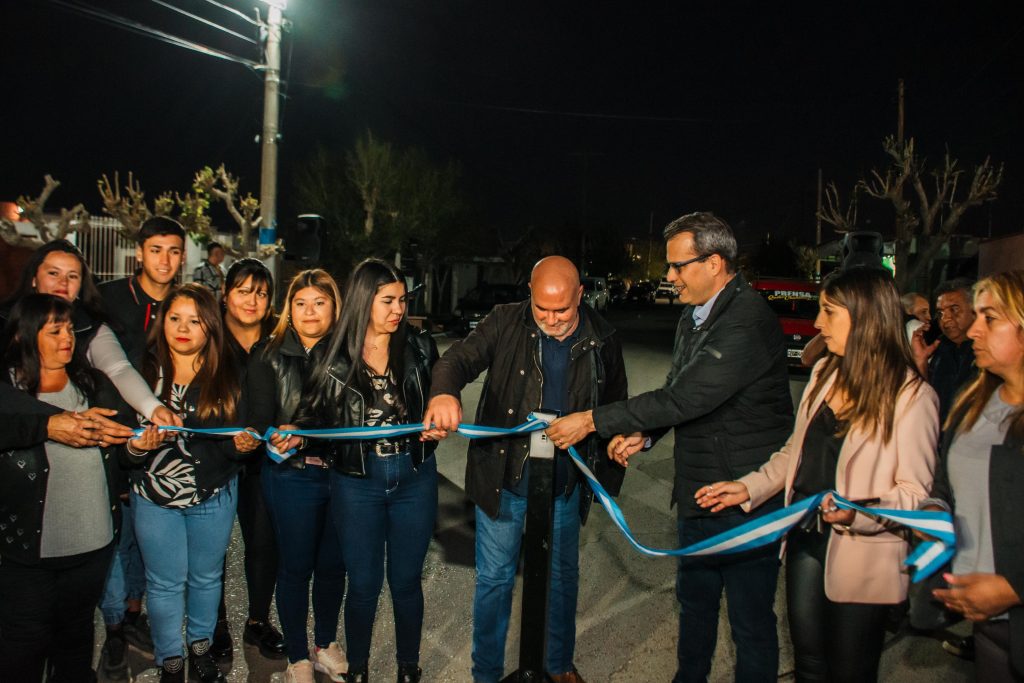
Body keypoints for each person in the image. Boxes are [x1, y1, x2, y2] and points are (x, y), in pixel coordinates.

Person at [547, 212, 793, 683]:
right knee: (695, 607)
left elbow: (687, 396)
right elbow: (680, 389)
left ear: (715, 262)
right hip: (699, 491)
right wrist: (648, 434)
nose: (669, 277)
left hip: (744, 498)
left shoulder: (746, 320)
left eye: (679, 267)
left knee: (751, 623)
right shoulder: (693, 317)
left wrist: (593, 420)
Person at [698, 268, 939, 682]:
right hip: (806, 542)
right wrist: (748, 486)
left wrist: (857, 514)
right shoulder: (825, 374)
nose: (817, 324)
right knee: (808, 667)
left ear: (864, 317)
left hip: (864, 558)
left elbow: (914, 495)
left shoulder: (913, 397)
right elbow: (796, 452)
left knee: (850, 672)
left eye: (828, 312)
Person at [425, 255, 628, 683]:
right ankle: (486, 673)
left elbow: (616, 405)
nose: (551, 320)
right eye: (542, 309)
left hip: (565, 483)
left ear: (580, 296)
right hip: (505, 478)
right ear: (529, 296)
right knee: (495, 581)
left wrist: (617, 441)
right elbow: (456, 360)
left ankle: (558, 664)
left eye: (562, 310)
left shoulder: (603, 336)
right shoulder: (504, 321)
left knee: (561, 577)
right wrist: (444, 393)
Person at [280, 258, 444, 683]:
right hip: (357, 484)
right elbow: (315, 419)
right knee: (364, 584)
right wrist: (297, 432)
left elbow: (437, 404)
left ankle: (409, 667)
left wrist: (436, 425)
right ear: (362, 301)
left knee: (406, 582)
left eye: (402, 301)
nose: (398, 310)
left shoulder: (421, 347)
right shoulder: (332, 354)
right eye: (388, 300)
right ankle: (360, 669)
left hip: (414, 478)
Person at [126, 284, 261, 683]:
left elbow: (238, 444)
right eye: (174, 318)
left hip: (212, 494)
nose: (183, 328)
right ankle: (170, 660)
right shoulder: (141, 369)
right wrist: (137, 449)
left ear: (211, 327)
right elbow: (120, 445)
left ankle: (200, 649)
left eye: (195, 320)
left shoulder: (229, 371)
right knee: (164, 583)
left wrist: (244, 445)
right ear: (162, 321)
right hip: (153, 495)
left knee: (205, 578)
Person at [0, 294, 136, 682]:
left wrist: (136, 446)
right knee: (23, 646)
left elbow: (122, 447)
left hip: (93, 546)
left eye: (70, 329)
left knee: (75, 640)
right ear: (22, 336)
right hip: (29, 553)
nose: (68, 337)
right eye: (54, 330)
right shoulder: (8, 391)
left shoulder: (92, 383)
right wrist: (51, 425)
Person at [97, 214, 187, 675]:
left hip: (164, 439)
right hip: (110, 433)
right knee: (110, 531)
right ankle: (114, 626)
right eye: (156, 250)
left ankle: (135, 611)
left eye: (174, 251)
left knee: (144, 531)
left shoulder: (184, 304)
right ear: (139, 253)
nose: (165, 260)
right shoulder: (109, 299)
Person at [248, 269, 348, 683]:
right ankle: (296, 656)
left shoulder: (350, 354)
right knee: (295, 567)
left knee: (332, 565)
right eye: (301, 303)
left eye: (319, 303)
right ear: (289, 308)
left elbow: (351, 420)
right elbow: (255, 422)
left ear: (334, 307)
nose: (309, 312)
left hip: (342, 476)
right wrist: (272, 437)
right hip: (290, 477)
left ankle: (324, 644)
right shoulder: (266, 352)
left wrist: (309, 436)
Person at [924, 271, 1024, 682]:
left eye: (990, 318)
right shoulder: (973, 398)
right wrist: (934, 509)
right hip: (985, 624)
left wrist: (1015, 586)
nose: (974, 329)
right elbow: (947, 480)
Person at [1, 239, 180, 427]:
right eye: (53, 273)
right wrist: (49, 421)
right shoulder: (5, 321)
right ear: (34, 278)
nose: (63, 282)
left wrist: (152, 408)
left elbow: (118, 368)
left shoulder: (89, 325)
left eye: (73, 276)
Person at [215, 258, 286, 659]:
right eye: (243, 291)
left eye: (261, 293)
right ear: (226, 294)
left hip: (266, 459)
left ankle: (258, 620)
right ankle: (217, 623)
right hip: (214, 457)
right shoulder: (209, 336)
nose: (252, 300)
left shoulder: (278, 339)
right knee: (213, 547)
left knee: (264, 541)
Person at [913, 278, 978, 423]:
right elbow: (929, 402)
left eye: (954, 309)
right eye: (941, 313)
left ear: (974, 310)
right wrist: (921, 361)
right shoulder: (941, 348)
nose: (945, 318)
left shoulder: (985, 352)